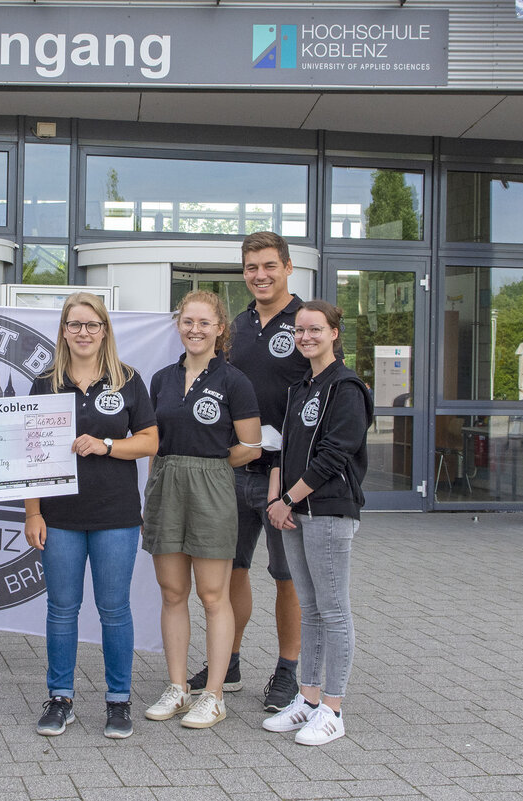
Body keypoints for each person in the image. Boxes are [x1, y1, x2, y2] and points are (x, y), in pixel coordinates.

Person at [26, 292, 158, 740]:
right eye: (75, 324)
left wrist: (105, 446)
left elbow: (149, 442)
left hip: (115, 515)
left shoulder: (128, 380)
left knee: (114, 610)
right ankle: (60, 697)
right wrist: (32, 513)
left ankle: (118, 702)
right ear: (63, 331)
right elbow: (31, 457)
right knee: (62, 610)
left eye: (92, 325)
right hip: (59, 517)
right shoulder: (45, 383)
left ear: (105, 330)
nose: (83, 333)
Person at [194, 230, 310, 714]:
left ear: (287, 267)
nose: (259, 275)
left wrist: (296, 474)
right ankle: (232, 660)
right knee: (231, 570)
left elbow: (322, 394)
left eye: (268, 266)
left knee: (288, 576)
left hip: (284, 479)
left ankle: (287, 669)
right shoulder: (235, 326)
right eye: (250, 268)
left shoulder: (307, 322)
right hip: (233, 471)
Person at [143, 291, 261, 730]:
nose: (195, 329)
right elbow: (153, 441)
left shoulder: (234, 381)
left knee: (214, 595)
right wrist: (155, 485)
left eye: (204, 322)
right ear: (178, 325)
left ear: (219, 329)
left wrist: (208, 465)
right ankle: (177, 686)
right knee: (172, 591)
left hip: (213, 485)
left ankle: (213, 694)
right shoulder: (160, 379)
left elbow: (250, 447)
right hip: (165, 485)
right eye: (188, 321)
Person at [263, 300, 372, 746]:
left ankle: (332, 709)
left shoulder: (346, 386)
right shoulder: (301, 386)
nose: (305, 337)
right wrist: (277, 498)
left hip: (327, 509)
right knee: (310, 609)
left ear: (334, 334)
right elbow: (284, 451)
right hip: (294, 512)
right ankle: (306, 700)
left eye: (314, 330)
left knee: (334, 610)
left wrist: (287, 499)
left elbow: (334, 455)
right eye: (299, 331)